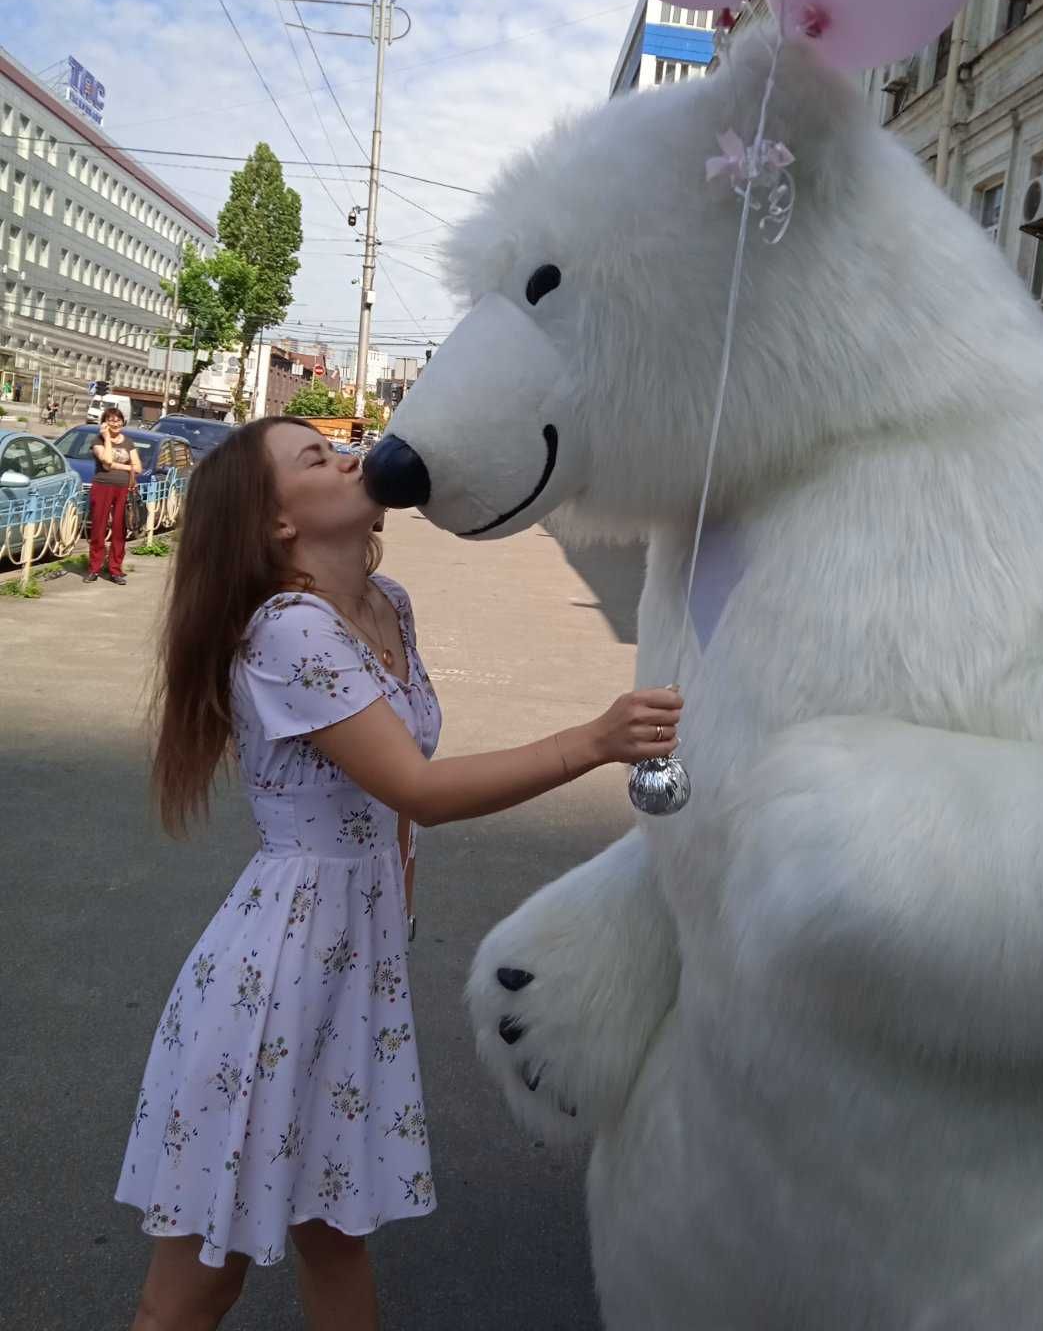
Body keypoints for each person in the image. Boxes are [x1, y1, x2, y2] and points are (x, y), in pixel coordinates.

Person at [115, 415, 682, 1331]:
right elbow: (416, 786)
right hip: (276, 977)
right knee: (198, 1281)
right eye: (317, 458)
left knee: (337, 1233)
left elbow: (391, 815)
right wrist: (593, 741)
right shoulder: (287, 631)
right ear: (276, 525)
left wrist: (392, 911)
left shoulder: (389, 605)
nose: (350, 455)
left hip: (349, 966)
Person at [85, 406, 141, 585]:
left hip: (124, 489)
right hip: (102, 486)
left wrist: (124, 467)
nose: (115, 423)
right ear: (104, 423)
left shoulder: (129, 443)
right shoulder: (97, 440)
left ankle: (115, 569)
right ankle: (94, 568)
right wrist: (107, 438)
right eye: (110, 420)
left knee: (119, 529)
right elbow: (106, 461)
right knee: (98, 528)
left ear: (123, 422)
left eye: (118, 420)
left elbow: (138, 467)